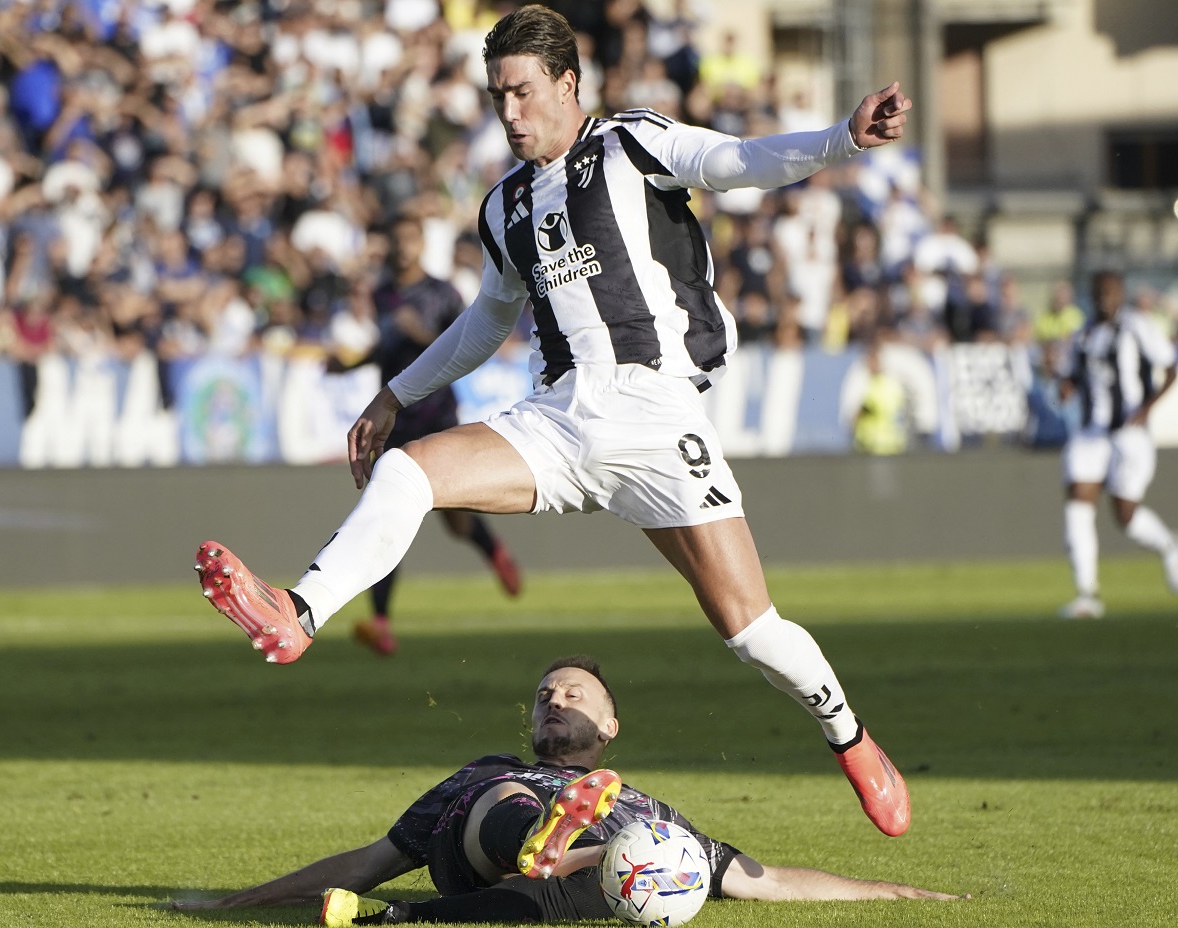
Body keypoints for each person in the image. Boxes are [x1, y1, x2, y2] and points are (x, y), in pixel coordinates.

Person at [194, 5, 915, 837]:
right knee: (408, 469)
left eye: (523, 93)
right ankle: (300, 611)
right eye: (498, 95)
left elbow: (737, 160)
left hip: (653, 412)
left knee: (751, 632)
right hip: (558, 421)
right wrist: (395, 392)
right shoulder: (503, 207)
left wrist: (844, 138)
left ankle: (851, 739)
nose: (509, 113)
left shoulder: (632, 143)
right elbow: (485, 322)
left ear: (568, 85)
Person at [171, 657, 963, 925]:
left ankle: (573, 859)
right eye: (545, 694)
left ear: (611, 725)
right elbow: (371, 859)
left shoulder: (651, 812)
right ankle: (556, 844)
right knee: (514, 810)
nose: (555, 699)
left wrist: (891, 892)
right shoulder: (483, 767)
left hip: (599, 860)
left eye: (574, 693)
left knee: (647, 864)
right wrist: (240, 901)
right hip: (490, 823)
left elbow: (768, 879)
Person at [332, 213, 523, 657]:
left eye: (408, 239)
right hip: (396, 420)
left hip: (435, 413)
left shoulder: (442, 293)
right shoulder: (382, 293)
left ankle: (492, 551)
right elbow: (385, 347)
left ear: (420, 244)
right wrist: (351, 364)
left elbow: (465, 341)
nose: (402, 248)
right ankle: (380, 621)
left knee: (455, 519)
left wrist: (419, 332)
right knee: (385, 515)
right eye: (395, 240)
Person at [1057, 270, 1178, 619]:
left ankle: (1169, 546)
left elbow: (1171, 366)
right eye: (1099, 293)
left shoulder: (1137, 327)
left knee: (1125, 514)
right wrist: (1063, 386)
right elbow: (1068, 379)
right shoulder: (1082, 336)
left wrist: (1148, 407)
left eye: (1110, 292)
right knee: (1078, 501)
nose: (1104, 299)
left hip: (1129, 433)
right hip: (1091, 433)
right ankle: (1087, 594)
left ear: (1121, 294)